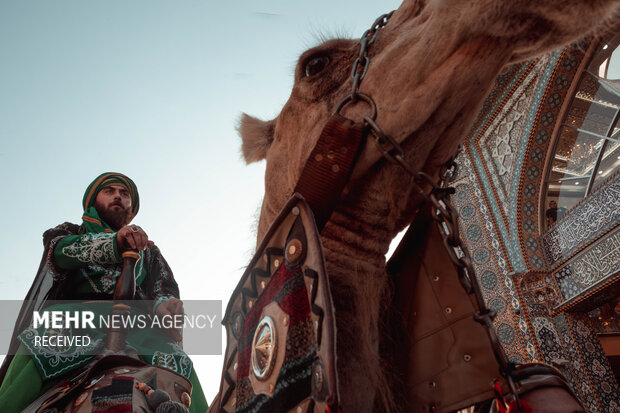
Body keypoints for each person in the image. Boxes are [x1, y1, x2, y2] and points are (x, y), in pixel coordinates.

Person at [0, 172, 207, 412]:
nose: (118, 196)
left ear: (131, 207)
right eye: (109, 191)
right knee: (40, 341)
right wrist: (114, 244)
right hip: (77, 319)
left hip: (137, 327)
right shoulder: (69, 232)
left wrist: (165, 304)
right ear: (93, 201)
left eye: (124, 193)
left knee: (180, 364)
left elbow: (162, 287)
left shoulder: (150, 252)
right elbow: (59, 255)